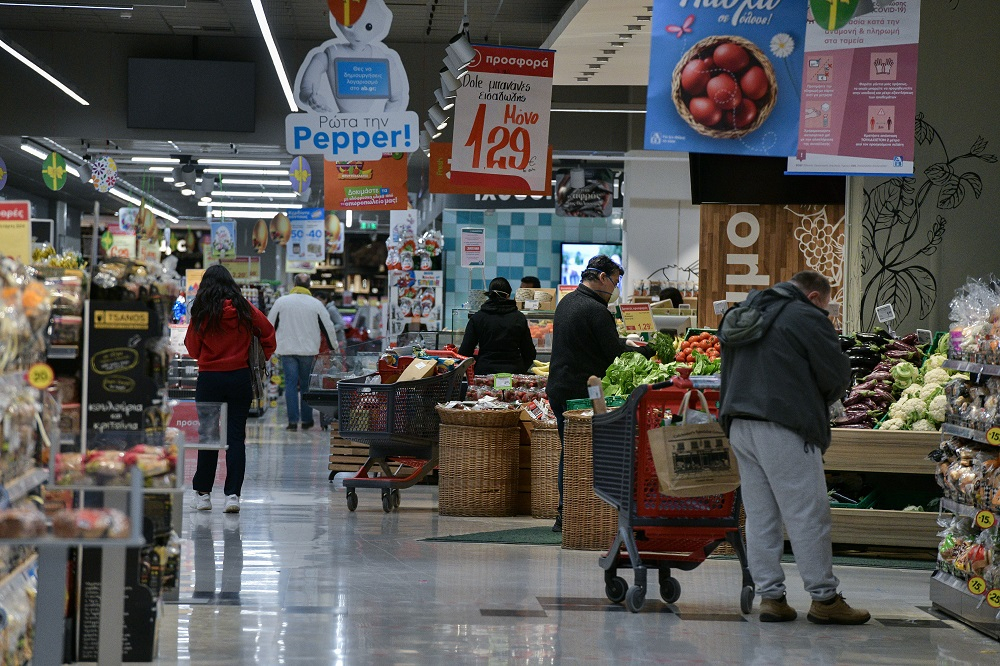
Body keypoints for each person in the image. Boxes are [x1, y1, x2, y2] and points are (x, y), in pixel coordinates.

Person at [717, 270, 870, 625]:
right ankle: (825, 598)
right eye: (827, 305)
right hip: (783, 422)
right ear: (815, 297)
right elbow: (834, 373)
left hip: (740, 423)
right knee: (807, 513)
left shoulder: (745, 310)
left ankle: (770, 597)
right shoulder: (805, 316)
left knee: (760, 515)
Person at [547, 255, 654, 531]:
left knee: (569, 451)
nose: (616, 288)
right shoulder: (596, 310)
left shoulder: (568, 301)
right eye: (616, 281)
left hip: (559, 387)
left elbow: (593, 340)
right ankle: (582, 513)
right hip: (580, 392)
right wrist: (645, 351)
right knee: (582, 454)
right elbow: (614, 355)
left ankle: (565, 512)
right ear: (603, 278)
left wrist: (623, 340)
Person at [184, 264, 276, 514]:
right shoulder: (245, 308)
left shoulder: (202, 311)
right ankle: (232, 495)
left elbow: (192, 349)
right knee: (236, 438)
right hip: (239, 378)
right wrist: (260, 357)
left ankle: (203, 495)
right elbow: (268, 333)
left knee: (209, 436)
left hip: (210, 380)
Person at [268, 274, 338, 431]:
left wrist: (266, 347)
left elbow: (269, 325)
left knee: (291, 385)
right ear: (310, 285)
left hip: (287, 350)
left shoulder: (281, 302)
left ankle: (292, 422)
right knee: (306, 386)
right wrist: (334, 347)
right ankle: (307, 421)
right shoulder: (316, 304)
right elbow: (328, 327)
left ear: (294, 284)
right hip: (308, 350)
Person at [458, 277, 536, 375]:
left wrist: (476, 365)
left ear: (489, 295)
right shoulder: (519, 318)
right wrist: (520, 369)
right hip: (514, 373)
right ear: (507, 296)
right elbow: (530, 353)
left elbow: (464, 352)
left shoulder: (477, 318)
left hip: (484, 373)